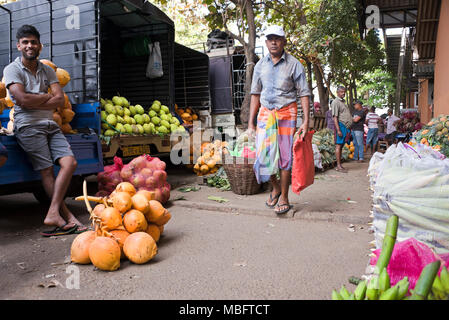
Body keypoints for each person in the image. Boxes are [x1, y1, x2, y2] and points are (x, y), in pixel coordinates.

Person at [3, 25, 87, 236]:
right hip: (28, 126)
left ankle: (52, 213)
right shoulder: (12, 70)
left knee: (70, 163)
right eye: (25, 42)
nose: (30, 46)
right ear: (18, 45)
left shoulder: (48, 70)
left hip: (51, 125)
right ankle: (67, 217)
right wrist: (46, 99)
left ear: (39, 45)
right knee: (47, 170)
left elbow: (59, 99)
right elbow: (21, 100)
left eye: (33, 42)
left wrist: (35, 100)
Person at [248, 25, 310, 215]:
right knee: (262, 156)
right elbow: (255, 94)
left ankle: (284, 196)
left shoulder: (294, 64)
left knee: (285, 157)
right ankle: (274, 187)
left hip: (287, 112)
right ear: (266, 42)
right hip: (266, 113)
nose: (274, 42)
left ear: (283, 41)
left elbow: (304, 93)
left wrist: (306, 121)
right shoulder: (260, 65)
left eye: (277, 38)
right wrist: (250, 123)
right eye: (270, 39)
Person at [331, 86, 352, 173]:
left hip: (345, 127)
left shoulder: (343, 102)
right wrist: (338, 129)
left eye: (344, 92)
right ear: (337, 92)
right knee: (338, 146)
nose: (343, 93)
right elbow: (335, 117)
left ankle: (339, 165)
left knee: (341, 145)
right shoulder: (336, 102)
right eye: (341, 92)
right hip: (340, 126)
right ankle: (338, 166)